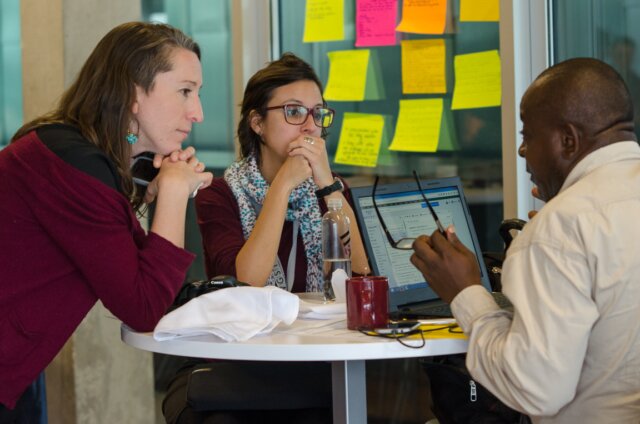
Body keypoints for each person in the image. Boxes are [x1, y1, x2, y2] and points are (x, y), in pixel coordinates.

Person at [411, 58, 640, 423]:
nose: (521, 152)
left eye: (526, 136)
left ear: (568, 140)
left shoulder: (561, 226)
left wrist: (465, 293)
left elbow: (534, 390)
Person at [0, 21, 213, 415]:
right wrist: (172, 193)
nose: (197, 112)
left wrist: (153, 190)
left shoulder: (75, 149)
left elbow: (128, 271)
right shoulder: (74, 166)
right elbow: (144, 307)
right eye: (185, 91)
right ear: (133, 93)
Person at [162, 53, 368, 423]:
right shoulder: (220, 193)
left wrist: (326, 185)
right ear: (257, 122)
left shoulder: (332, 191)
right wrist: (284, 186)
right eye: (293, 112)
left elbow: (364, 272)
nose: (309, 126)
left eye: (318, 114)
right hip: (243, 362)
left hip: (317, 357)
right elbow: (248, 281)